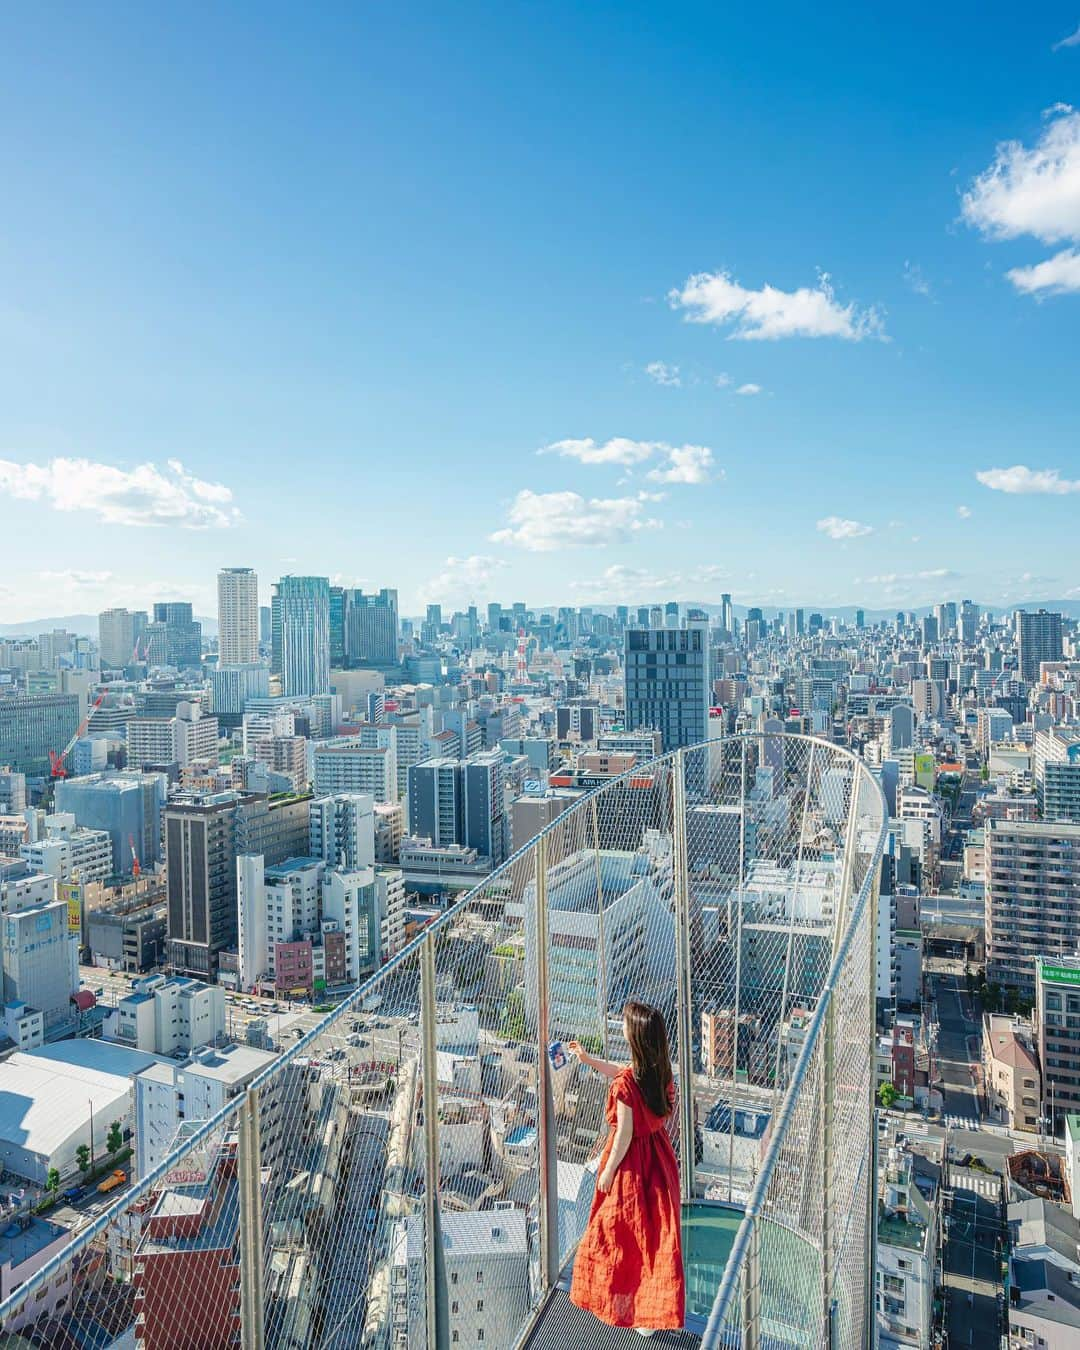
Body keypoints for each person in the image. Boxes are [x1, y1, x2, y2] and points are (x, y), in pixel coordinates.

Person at [567, 1001, 685, 1336]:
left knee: (617, 1234)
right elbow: (622, 1071)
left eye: (624, 1023)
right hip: (659, 1160)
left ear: (633, 1035)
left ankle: (623, 1304)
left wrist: (607, 1173)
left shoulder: (625, 1086)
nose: (620, 1026)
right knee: (656, 1236)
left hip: (631, 1165)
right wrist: (589, 1061)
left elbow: (624, 1134)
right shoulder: (657, 1074)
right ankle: (651, 1312)